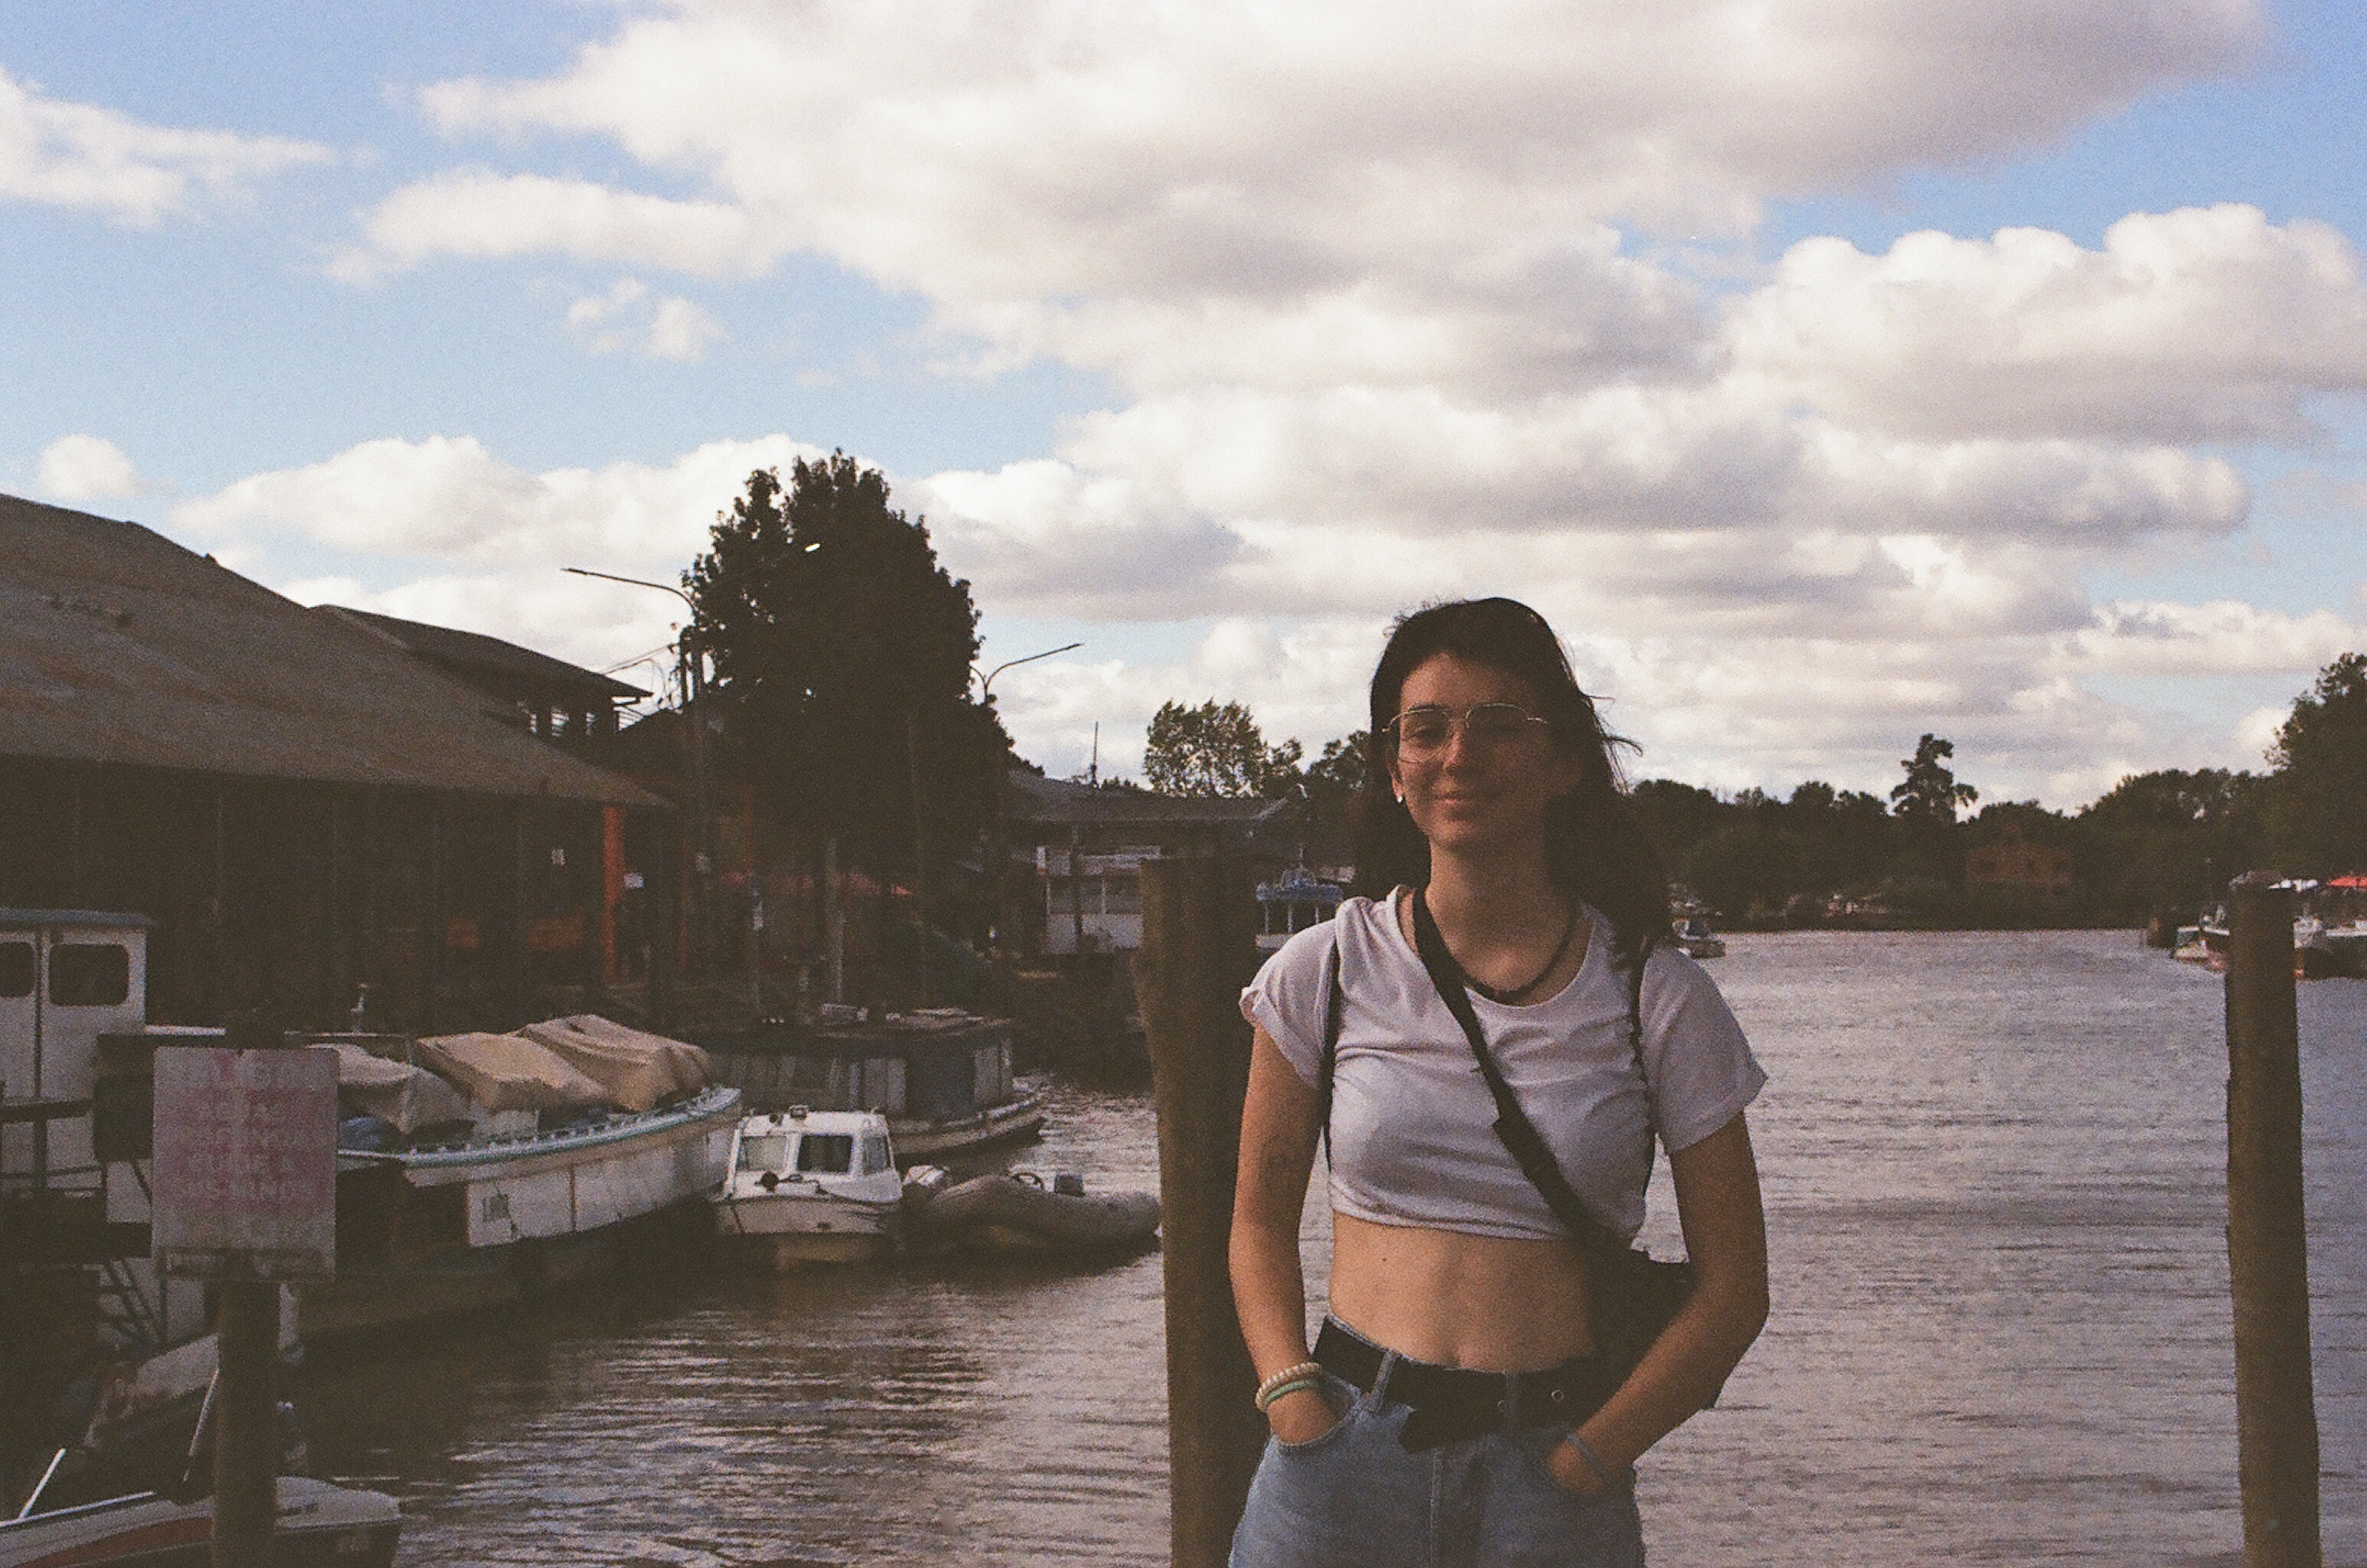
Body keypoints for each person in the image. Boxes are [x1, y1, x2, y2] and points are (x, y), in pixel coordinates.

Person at [1229, 597, 1769, 1568]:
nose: (1458, 754)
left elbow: (1734, 1288)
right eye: (1425, 728)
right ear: (1393, 767)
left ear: (1564, 762)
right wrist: (1292, 1399)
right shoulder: (1327, 968)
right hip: (1340, 1463)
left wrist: (1589, 1458)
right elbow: (1258, 1225)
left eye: (1499, 725)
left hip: (1551, 1476)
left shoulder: (1656, 994)